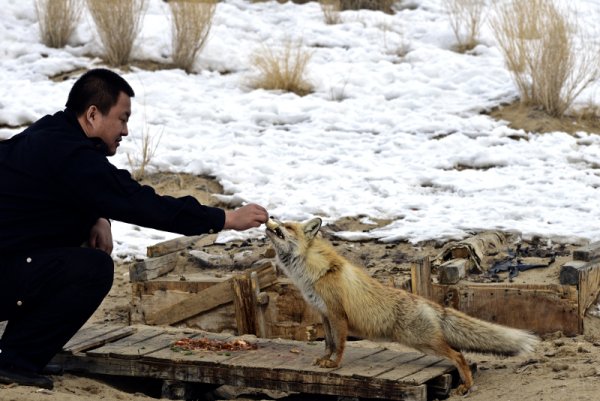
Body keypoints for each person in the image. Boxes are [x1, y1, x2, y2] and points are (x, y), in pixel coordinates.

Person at [0, 68, 269, 389]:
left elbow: (69, 193)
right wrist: (226, 219)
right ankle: (13, 359)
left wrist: (98, 217)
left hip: (11, 260)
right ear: (92, 115)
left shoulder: (51, 134)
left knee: (77, 248)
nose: (126, 130)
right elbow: (140, 202)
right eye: (122, 119)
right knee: (93, 268)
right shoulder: (72, 155)